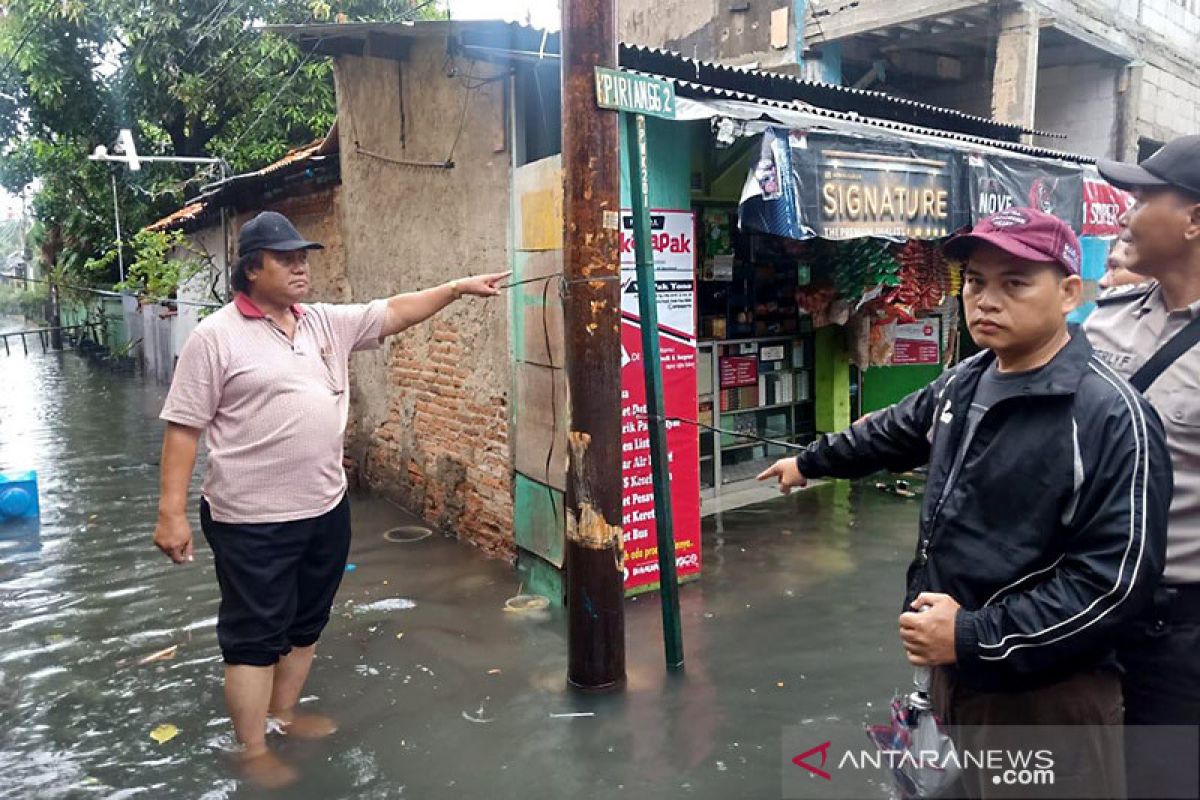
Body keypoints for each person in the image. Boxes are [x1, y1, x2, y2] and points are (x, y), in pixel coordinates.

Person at [759, 208, 1171, 798]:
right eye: (976, 281)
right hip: (958, 675)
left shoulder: (1109, 415)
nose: (986, 300)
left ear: (1069, 293)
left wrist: (974, 635)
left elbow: (1113, 583)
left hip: (1047, 700)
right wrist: (810, 462)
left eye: (1016, 282)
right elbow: (893, 430)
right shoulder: (968, 379)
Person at [153, 211, 508, 788]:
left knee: (307, 620)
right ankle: (250, 749)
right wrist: (170, 514)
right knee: (254, 631)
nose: (301, 266)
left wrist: (455, 289)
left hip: (324, 507)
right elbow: (184, 428)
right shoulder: (214, 337)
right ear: (251, 268)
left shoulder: (322, 323)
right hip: (250, 519)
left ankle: (284, 715)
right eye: (286, 258)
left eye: (304, 256)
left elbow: (392, 311)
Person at [1086, 134, 1200, 798]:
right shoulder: (1108, 320)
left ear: (1193, 220)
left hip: (1180, 633)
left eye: (1144, 196)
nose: (1125, 211)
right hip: (1087, 611)